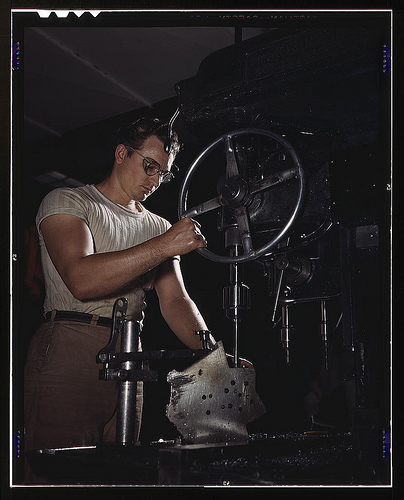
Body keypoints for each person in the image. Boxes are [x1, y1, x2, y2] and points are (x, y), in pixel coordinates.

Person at [23, 117, 216, 483]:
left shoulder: (158, 226)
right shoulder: (68, 200)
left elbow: (174, 301)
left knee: (118, 474)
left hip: (130, 356)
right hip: (70, 346)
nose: (155, 181)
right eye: (150, 166)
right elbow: (81, 280)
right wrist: (165, 245)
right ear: (121, 153)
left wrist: (213, 353)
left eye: (164, 174)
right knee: (58, 475)